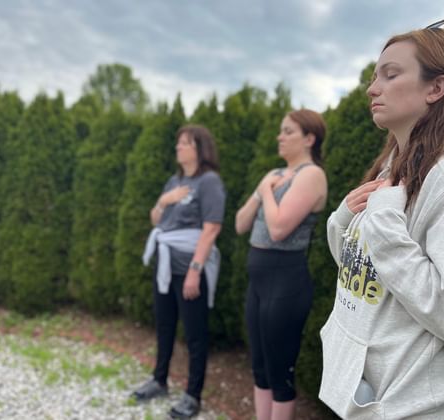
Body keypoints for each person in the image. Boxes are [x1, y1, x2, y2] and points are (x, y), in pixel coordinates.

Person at [319, 19, 444, 419]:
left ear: (436, 88)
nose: (372, 88)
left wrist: (383, 227)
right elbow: (367, 273)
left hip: (419, 408)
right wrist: (342, 221)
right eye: (373, 76)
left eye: (391, 74)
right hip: (366, 397)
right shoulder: (392, 167)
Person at [235, 109, 328, 420]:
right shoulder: (275, 175)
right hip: (259, 283)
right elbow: (240, 223)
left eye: (288, 131)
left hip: (285, 282)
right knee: (260, 368)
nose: (280, 136)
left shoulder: (311, 175)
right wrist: (265, 187)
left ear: (309, 138)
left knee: (279, 372)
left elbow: (278, 230)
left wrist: (264, 192)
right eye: (281, 130)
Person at [134, 125, 226, 419]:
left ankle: (193, 395)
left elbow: (212, 228)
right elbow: (155, 219)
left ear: (200, 148)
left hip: (189, 266)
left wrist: (194, 271)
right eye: (178, 143)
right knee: (164, 325)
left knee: (195, 334)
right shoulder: (174, 181)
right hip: (165, 263)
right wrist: (164, 200)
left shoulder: (209, 182)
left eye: (185, 143)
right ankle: (159, 380)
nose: (178, 148)